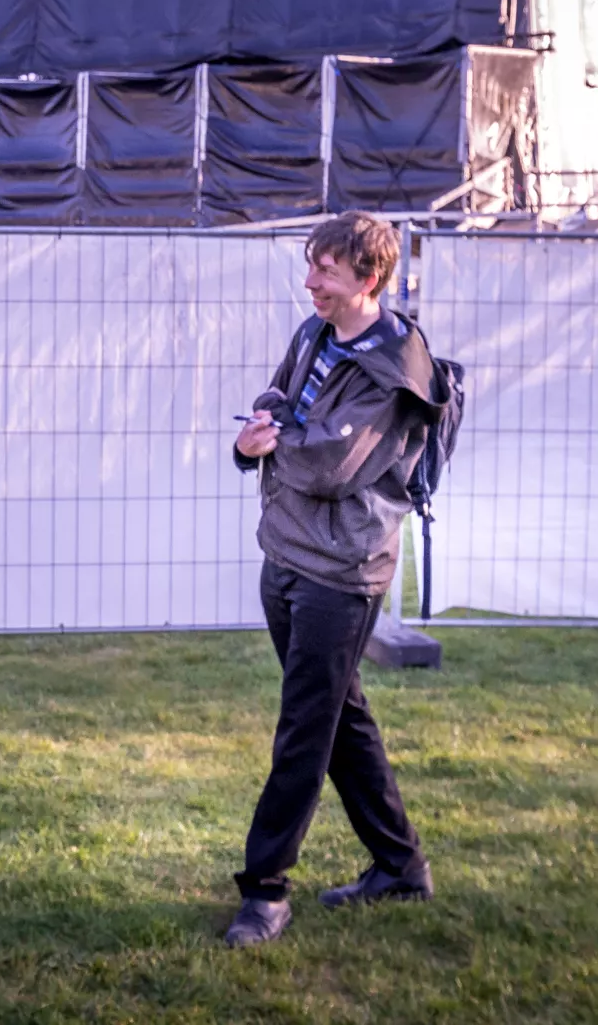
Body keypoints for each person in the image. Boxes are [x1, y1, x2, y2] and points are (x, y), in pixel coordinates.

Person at [224, 210, 451, 947]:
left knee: (305, 729)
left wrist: (277, 438)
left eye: (325, 270)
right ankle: (400, 865)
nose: (310, 281)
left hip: (341, 573)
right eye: (311, 265)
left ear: (369, 277)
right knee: (340, 719)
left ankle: (265, 891)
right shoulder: (314, 333)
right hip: (286, 555)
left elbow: (330, 468)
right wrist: (259, 428)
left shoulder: (393, 367)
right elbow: (275, 397)